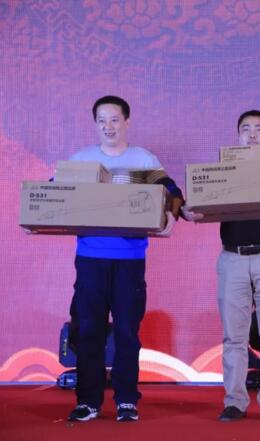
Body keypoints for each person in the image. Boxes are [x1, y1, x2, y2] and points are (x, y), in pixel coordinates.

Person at [181, 110, 260, 423]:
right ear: (237, 136)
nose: (252, 134)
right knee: (233, 336)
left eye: (259, 129)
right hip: (233, 259)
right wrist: (191, 211)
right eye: (246, 129)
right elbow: (198, 205)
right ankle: (235, 401)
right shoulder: (222, 173)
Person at [63, 95, 184, 422]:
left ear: (127, 122)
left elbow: (173, 192)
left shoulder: (143, 159)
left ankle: (126, 400)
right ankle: (88, 401)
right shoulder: (82, 159)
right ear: (95, 124)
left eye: (114, 119)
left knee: (128, 331)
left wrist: (172, 216)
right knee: (88, 330)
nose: (108, 126)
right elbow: (53, 195)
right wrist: (36, 220)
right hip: (90, 258)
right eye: (102, 120)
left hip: (130, 260)